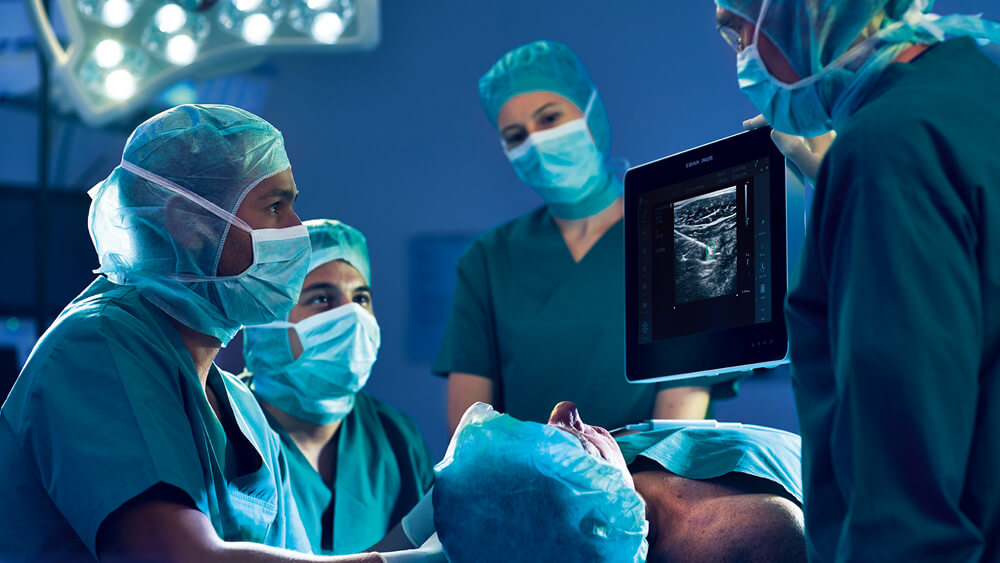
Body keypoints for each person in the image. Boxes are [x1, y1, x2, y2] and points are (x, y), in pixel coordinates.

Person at [0, 104, 435, 563]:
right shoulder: (97, 347)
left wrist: (436, 521)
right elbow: (178, 558)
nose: (297, 231)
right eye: (275, 206)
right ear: (190, 225)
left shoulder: (242, 408)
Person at [714, 0, 1000, 559]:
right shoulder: (973, 88)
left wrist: (858, 174)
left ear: (800, 11)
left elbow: (903, 500)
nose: (742, 58)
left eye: (739, 31)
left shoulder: (886, 152)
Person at [435, 40, 712, 435]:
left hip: (647, 472)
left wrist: (624, 473)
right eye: (516, 136)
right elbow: (468, 433)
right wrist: (530, 470)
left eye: (549, 118)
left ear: (591, 114)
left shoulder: (677, 235)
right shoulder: (488, 260)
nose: (536, 142)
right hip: (519, 473)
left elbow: (678, 425)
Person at [242, 219, 435, 555]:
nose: (352, 316)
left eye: (361, 298)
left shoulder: (395, 436)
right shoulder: (228, 431)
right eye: (321, 299)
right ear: (265, 317)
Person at [431, 401, 805, 563]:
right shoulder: (752, 534)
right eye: (566, 446)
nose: (565, 412)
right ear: (596, 526)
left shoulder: (614, 469)